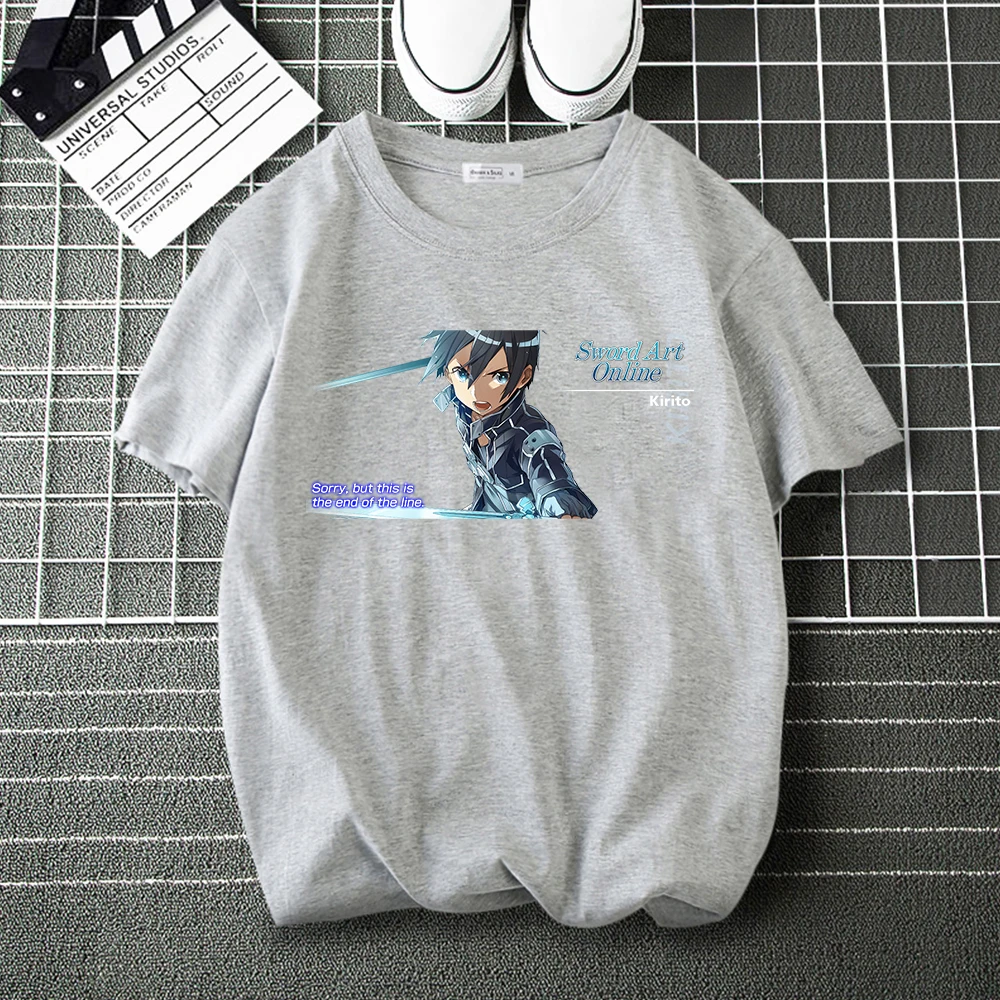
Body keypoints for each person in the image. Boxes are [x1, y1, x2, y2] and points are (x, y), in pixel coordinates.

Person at [420, 329, 598, 519]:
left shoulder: (529, 433)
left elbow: (549, 473)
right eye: (463, 373)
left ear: (523, 377)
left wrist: (561, 504)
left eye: (499, 376)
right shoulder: (466, 412)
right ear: (447, 372)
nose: (476, 392)